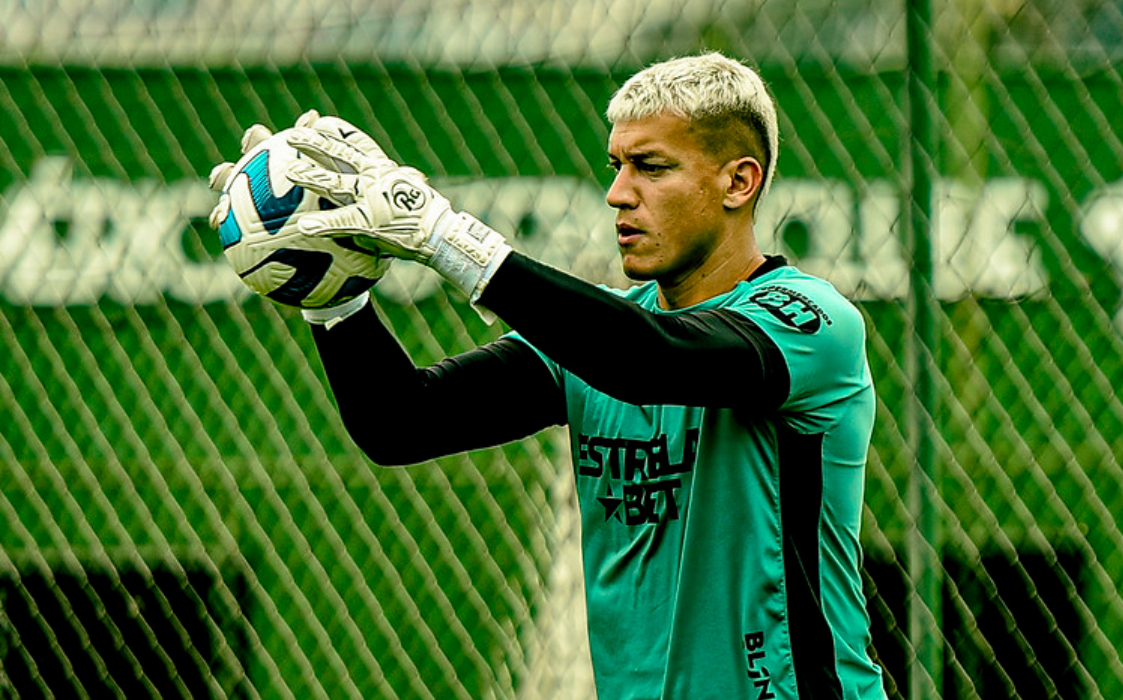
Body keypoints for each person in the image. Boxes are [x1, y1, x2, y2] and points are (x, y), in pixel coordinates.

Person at [213, 52, 886, 700]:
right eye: (617, 165)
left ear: (739, 183)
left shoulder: (809, 322)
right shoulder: (593, 341)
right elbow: (401, 422)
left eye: (652, 168)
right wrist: (332, 296)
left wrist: (444, 235)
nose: (618, 193)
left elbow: (652, 359)